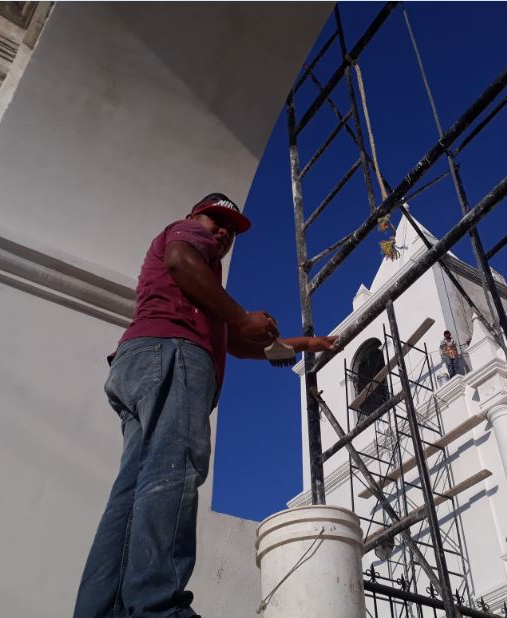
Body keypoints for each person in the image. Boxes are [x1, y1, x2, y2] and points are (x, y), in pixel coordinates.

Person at [74, 193, 337, 618]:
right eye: (216, 220)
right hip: (172, 355)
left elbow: (235, 344)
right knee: (173, 469)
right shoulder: (187, 238)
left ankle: (101, 610)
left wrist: (303, 344)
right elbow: (181, 259)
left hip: (142, 363)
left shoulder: (202, 295)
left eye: (230, 230)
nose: (222, 232)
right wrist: (241, 315)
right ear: (194, 216)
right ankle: (158, 606)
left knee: (133, 490)